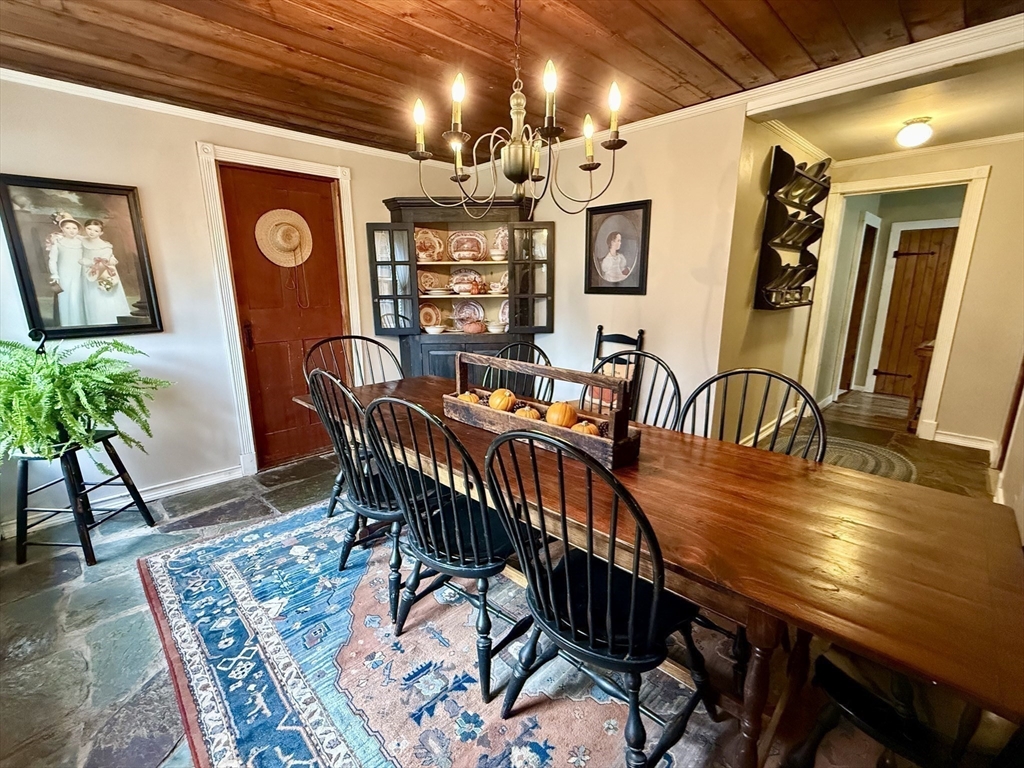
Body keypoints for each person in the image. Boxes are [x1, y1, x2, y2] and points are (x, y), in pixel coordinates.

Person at [80, 219, 132, 326]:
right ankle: (95, 321)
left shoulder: (106, 246)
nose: (91, 232)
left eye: (95, 231)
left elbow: (104, 260)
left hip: (103, 272)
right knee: (93, 298)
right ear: (85, 228)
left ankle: (111, 319)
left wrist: (91, 263)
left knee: (106, 296)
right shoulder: (81, 241)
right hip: (88, 272)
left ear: (101, 233)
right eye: (89, 229)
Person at [46, 214, 86, 327]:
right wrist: (55, 274)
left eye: (74, 228)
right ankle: (67, 324)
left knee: (78, 297)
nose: (71, 231)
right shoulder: (58, 242)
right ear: (62, 229)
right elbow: (52, 260)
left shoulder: (82, 242)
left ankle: (82, 323)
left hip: (79, 273)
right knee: (66, 297)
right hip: (64, 274)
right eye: (68, 228)